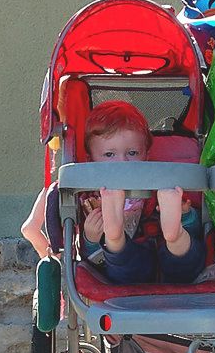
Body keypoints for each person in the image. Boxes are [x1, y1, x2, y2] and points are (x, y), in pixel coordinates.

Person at [57, 101, 202, 284]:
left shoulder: (160, 188)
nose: (123, 162)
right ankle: (115, 237)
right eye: (109, 154)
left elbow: (197, 229)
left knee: (187, 252)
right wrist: (90, 238)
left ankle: (175, 234)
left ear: (146, 156)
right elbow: (93, 257)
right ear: (90, 160)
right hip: (128, 271)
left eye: (132, 153)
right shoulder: (90, 198)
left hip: (168, 260)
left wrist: (186, 215)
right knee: (120, 259)